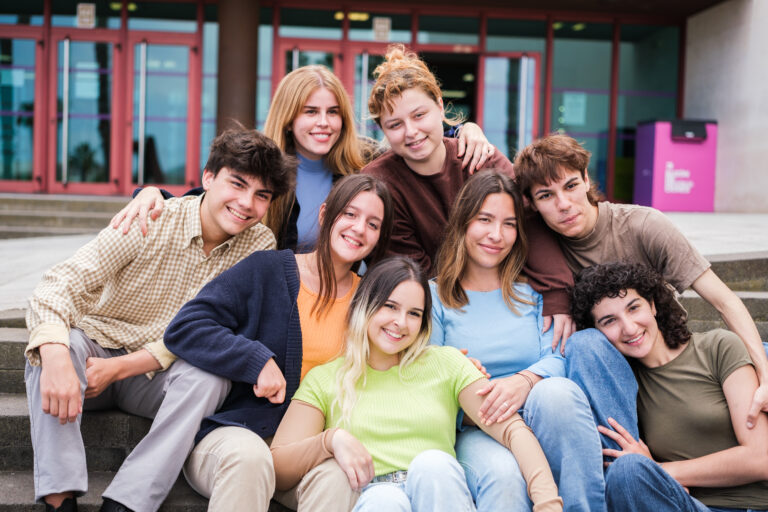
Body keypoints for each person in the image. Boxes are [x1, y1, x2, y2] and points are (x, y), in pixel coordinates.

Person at [24, 128, 295, 512]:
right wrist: (54, 354)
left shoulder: (259, 245)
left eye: (261, 195)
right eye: (237, 184)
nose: (246, 203)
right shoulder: (150, 217)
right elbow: (60, 283)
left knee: (211, 376)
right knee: (51, 345)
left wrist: (119, 368)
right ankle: (59, 498)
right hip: (95, 346)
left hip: (159, 374)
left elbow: (212, 335)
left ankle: (128, 502)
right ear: (208, 177)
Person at [513, 133, 768, 440]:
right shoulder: (539, 247)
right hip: (609, 370)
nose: (564, 204)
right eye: (546, 196)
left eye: (571, 186)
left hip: (672, 355)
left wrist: (763, 371)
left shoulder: (642, 224)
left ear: (585, 178)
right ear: (532, 204)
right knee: (585, 345)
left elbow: (725, 301)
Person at [163, 174, 393, 512]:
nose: (359, 228)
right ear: (325, 213)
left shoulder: (369, 303)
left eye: (373, 224)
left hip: (309, 446)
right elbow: (186, 326)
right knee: (249, 459)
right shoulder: (267, 269)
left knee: (340, 478)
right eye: (350, 214)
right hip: (237, 435)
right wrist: (256, 360)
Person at [270, 256, 564, 512]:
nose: (401, 322)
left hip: (440, 492)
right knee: (384, 500)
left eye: (414, 314)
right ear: (365, 304)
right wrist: (330, 440)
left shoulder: (445, 363)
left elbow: (513, 431)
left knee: (432, 465)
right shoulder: (325, 379)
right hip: (373, 499)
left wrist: (548, 504)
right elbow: (279, 466)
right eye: (390, 307)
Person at [112, 66, 494, 252]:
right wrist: (153, 194)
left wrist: (464, 131)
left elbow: (415, 142)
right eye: (310, 112)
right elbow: (208, 199)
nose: (324, 123)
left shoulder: (364, 163)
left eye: (333, 112)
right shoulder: (266, 167)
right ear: (290, 117)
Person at [361, 45, 576, 347]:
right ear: (382, 129)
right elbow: (410, 269)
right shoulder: (379, 182)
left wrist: (556, 295)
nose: (411, 132)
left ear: (439, 106)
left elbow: (531, 224)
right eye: (395, 125)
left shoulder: (479, 158)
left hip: (506, 292)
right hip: (436, 308)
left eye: (419, 115)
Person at [429, 171, 603, 511]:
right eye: (485, 220)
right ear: (463, 223)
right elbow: (431, 375)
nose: (497, 235)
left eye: (509, 224)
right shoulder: (434, 297)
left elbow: (559, 355)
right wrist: (482, 403)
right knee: (505, 473)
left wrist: (524, 381)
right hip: (477, 429)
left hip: (542, 415)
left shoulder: (535, 292)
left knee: (558, 392)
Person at [570, 262, 768, 512]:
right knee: (627, 471)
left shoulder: (717, 348)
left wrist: (661, 472)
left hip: (753, 507)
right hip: (679, 505)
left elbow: (761, 458)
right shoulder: (621, 388)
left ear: (652, 305)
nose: (629, 328)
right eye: (609, 321)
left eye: (634, 308)